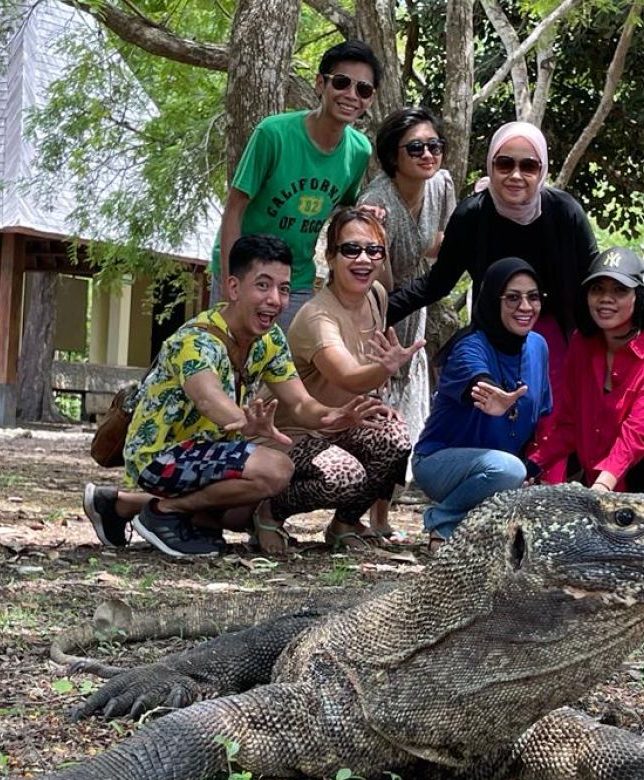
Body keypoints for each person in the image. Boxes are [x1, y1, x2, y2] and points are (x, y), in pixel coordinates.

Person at [83, 235, 386, 558]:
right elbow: (209, 399)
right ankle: (163, 514)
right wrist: (244, 423)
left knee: (240, 513)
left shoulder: (269, 340)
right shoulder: (197, 341)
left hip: (208, 451)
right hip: (160, 456)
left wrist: (335, 416)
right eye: (263, 286)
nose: (275, 299)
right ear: (233, 288)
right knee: (275, 470)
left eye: (283, 289)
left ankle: (118, 506)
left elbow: (300, 403)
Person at [386, 121, 599, 482]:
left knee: (552, 421)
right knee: (492, 415)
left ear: (542, 169)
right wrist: (373, 312)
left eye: (528, 166)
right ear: (491, 167)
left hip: (557, 334)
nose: (516, 175)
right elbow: (437, 283)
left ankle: (546, 503)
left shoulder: (564, 212)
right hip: (495, 338)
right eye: (505, 164)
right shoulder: (473, 215)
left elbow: (596, 280)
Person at [259, 208, 421, 553]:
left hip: (340, 426)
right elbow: (348, 376)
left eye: (374, 250)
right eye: (351, 249)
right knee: (343, 474)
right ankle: (269, 513)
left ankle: (344, 524)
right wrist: (386, 367)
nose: (364, 259)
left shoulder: (375, 294)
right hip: (292, 435)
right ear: (330, 257)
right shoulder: (318, 317)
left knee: (394, 435)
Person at [212, 40, 381, 327]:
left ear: (370, 99)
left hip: (296, 279)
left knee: (283, 368)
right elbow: (235, 209)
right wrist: (232, 285)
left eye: (362, 89)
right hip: (245, 273)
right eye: (341, 83)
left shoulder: (360, 151)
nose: (351, 95)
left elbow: (342, 209)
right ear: (320, 84)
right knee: (227, 363)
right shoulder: (273, 134)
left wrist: (365, 214)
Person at [527, 247, 644, 497]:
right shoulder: (581, 343)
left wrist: (601, 488)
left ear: (638, 297)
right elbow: (568, 424)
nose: (606, 298)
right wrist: (531, 465)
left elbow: (637, 431)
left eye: (619, 290)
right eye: (598, 289)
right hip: (608, 478)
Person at [411, 258, 552, 551]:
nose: (525, 307)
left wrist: (534, 467)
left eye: (533, 297)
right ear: (491, 299)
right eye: (512, 297)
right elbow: (478, 376)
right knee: (509, 470)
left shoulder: (539, 345)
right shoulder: (470, 344)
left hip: (503, 467)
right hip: (441, 464)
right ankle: (444, 522)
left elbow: (544, 419)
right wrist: (493, 394)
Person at [358, 107, 456, 486]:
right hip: (380, 307)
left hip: (418, 306)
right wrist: (379, 237)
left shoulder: (440, 186)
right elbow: (375, 282)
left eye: (435, 145)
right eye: (415, 148)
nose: (428, 155)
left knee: (411, 403)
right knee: (381, 407)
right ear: (392, 155)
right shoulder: (376, 202)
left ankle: (390, 502)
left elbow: (434, 246)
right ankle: (363, 508)